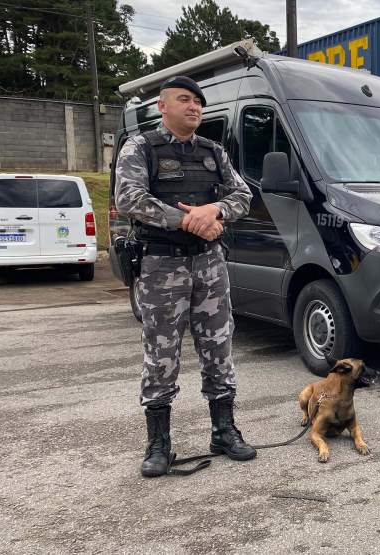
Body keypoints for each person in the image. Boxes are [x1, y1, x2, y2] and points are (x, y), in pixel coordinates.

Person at [115, 75, 255, 477]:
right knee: (161, 355)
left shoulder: (213, 151)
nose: (194, 107)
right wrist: (189, 220)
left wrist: (215, 212)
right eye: (184, 99)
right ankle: (159, 443)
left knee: (219, 345)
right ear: (162, 106)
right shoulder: (140, 147)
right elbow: (129, 198)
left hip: (209, 264)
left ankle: (224, 430)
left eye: (198, 101)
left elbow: (242, 195)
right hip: (161, 265)